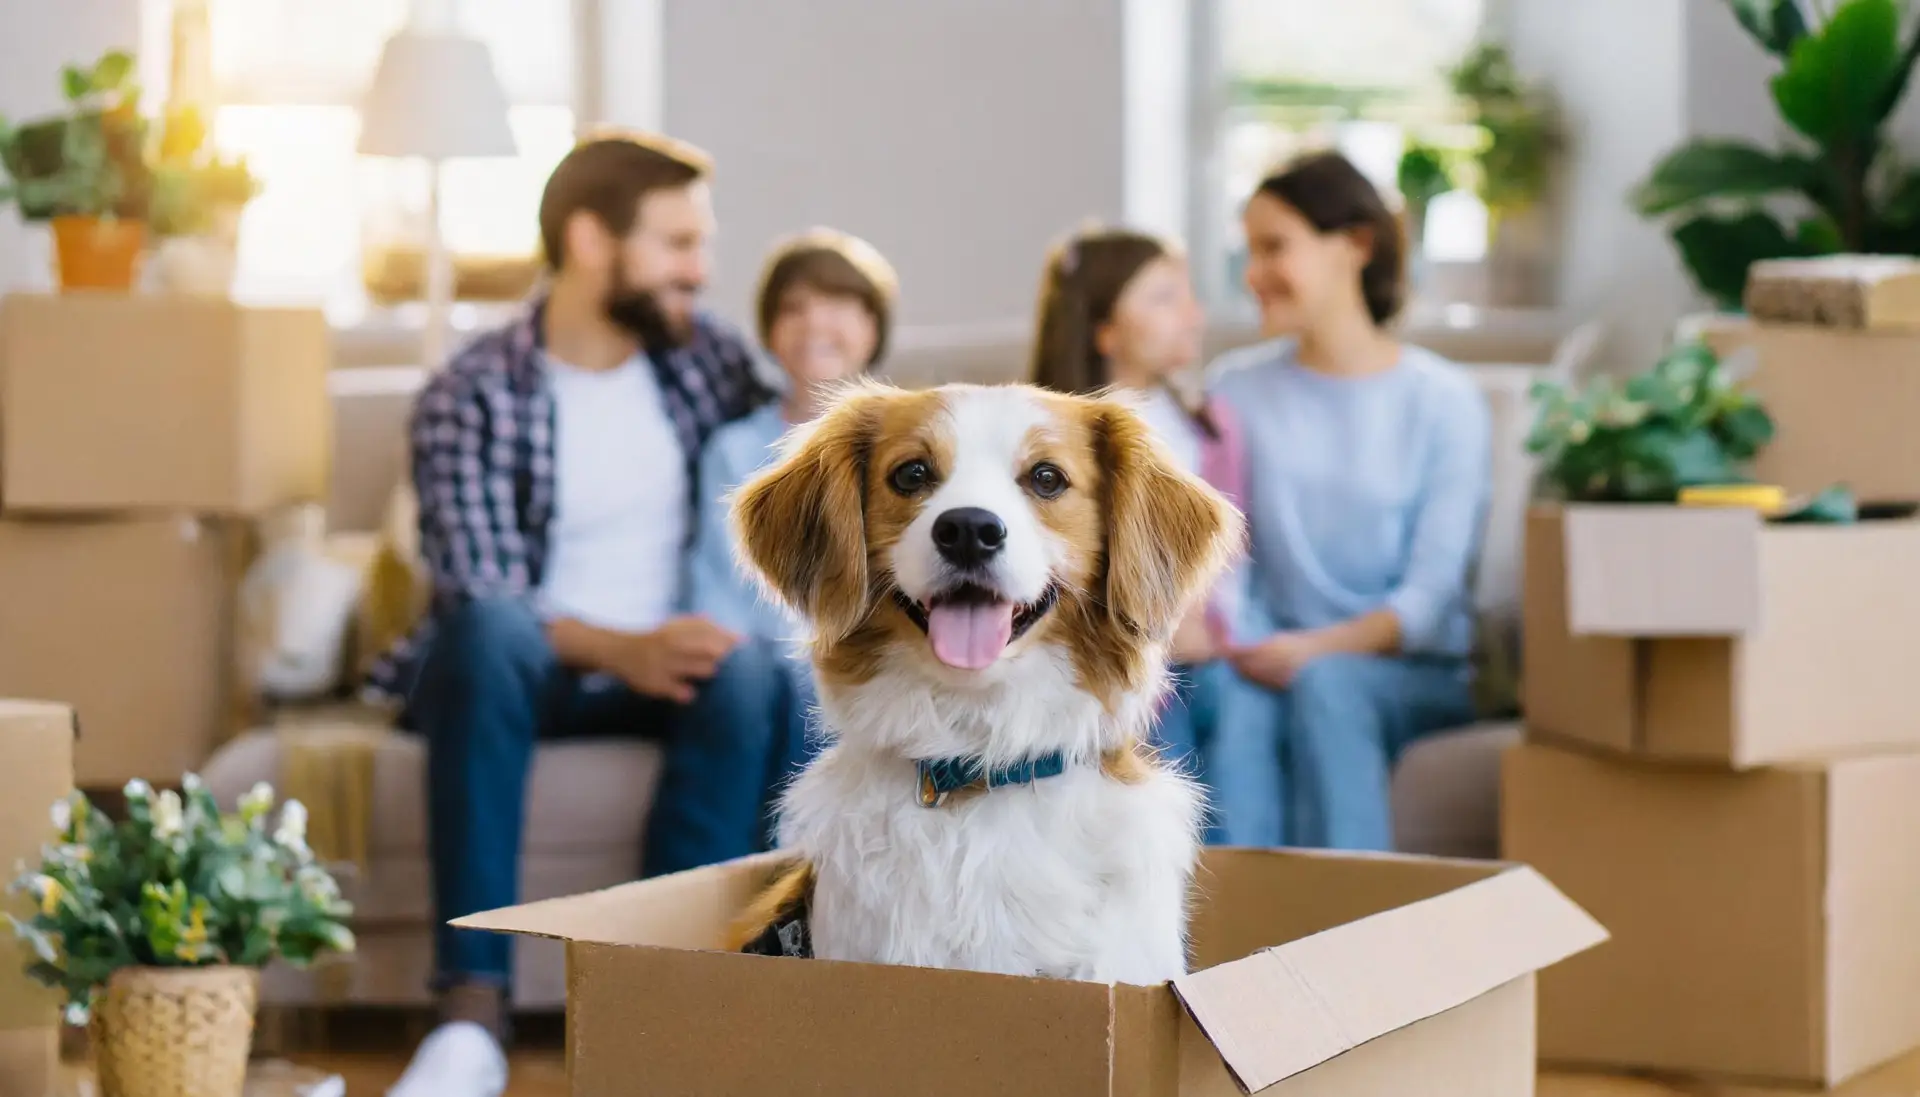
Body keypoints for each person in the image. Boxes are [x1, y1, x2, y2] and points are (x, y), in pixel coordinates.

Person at [365, 131, 783, 1097]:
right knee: (489, 634)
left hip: (664, 663)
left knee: (751, 669)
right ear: (594, 241)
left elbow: (791, 436)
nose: (701, 270)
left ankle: (667, 997)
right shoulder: (471, 393)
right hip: (521, 671)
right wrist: (622, 649)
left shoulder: (702, 358)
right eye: (678, 243)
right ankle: (471, 1017)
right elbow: (481, 590)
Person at [1206, 150, 1490, 852]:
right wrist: (1248, 642)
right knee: (1237, 702)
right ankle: (1228, 950)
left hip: (1412, 673)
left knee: (1328, 686)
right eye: (1249, 250)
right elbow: (1227, 561)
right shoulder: (1234, 391)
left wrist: (1312, 649)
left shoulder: (1443, 401)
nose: (1254, 273)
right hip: (1275, 656)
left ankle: (1353, 940)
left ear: (1355, 245)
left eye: (1275, 246)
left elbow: (1428, 600)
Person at [1023, 226, 1248, 842]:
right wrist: (1153, 628)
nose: (1192, 315)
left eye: (1189, 296)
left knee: (1238, 713)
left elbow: (1234, 563)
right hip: (1112, 652)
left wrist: (1218, 631)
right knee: (1148, 710)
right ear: (1105, 330)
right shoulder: (1054, 444)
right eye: (1164, 297)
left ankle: (1249, 886)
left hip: (1210, 656)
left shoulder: (1211, 427)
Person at [687, 226, 899, 840]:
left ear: (873, 324)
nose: (813, 324)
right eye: (793, 308)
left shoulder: (909, 449)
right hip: (763, 662)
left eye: (837, 304)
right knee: (772, 685)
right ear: (770, 331)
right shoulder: (734, 449)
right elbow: (719, 584)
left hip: (864, 656)